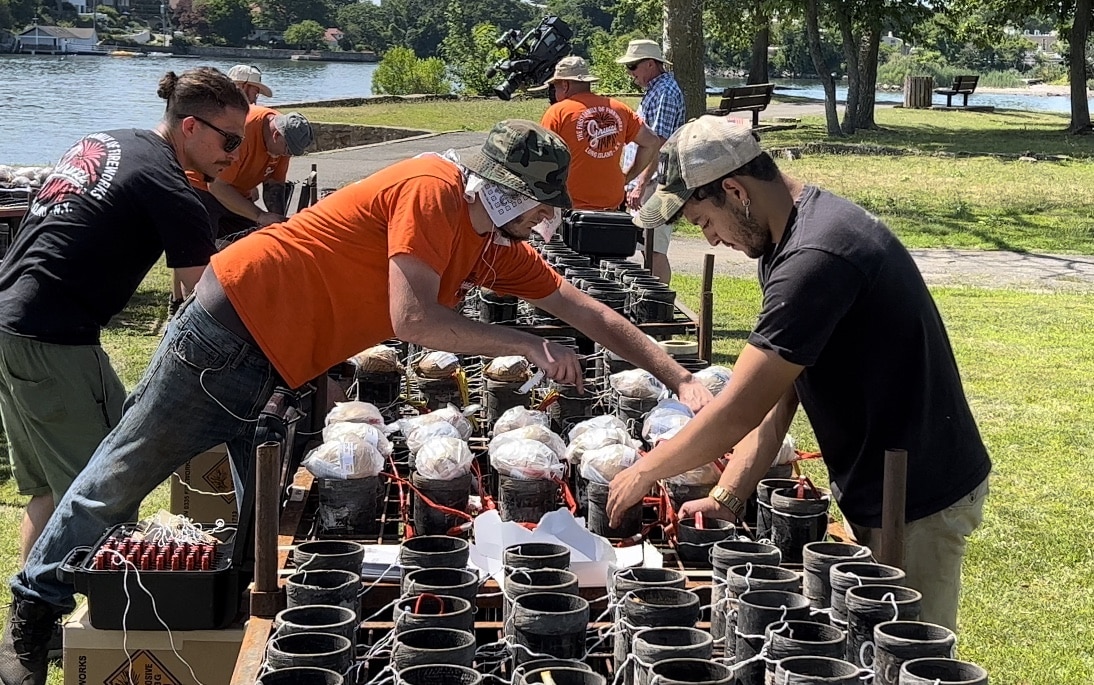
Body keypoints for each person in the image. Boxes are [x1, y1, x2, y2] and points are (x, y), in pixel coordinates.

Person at [0, 120, 713, 684]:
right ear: (510, 193)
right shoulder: (432, 191)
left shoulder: (490, 240)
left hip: (277, 359)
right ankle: (31, 617)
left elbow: (590, 312)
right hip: (227, 333)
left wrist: (678, 379)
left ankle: (226, 638)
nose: (547, 227)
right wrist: (527, 346)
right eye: (544, 210)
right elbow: (414, 321)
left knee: (263, 528)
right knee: (122, 474)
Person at [605, 116, 991, 632]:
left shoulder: (817, 256)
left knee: (904, 650)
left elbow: (739, 407)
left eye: (704, 223)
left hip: (918, 494)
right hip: (877, 478)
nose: (713, 240)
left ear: (735, 191)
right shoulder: (786, 237)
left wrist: (645, 471)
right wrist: (729, 494)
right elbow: (778, 389)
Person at [0, 67, 246, 568]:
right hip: (52, 339)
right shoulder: (171, 188)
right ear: (192, 126)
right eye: (230, 139)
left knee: (56, 487)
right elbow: (204, 304)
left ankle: (38, 621)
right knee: (98, 494)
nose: (235, 154)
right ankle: (62, 621)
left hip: (11, 320)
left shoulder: (110, 141)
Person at [537, 56, 662, 211]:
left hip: (569, 207)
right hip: (610, 207)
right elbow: (651, 142)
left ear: (565, 84)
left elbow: (542, 159)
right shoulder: (619, 108)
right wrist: (626, 177)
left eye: (555, 87)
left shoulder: (557, 112)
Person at [189, 107, 313, 242]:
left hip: (235, 191)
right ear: (276, 135)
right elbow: (217, 186)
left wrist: (278, 224)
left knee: (249, 242)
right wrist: (260, 215)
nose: (287, 155)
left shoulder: (285, 136)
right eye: (287, 150)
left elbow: (274, 185)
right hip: (202, 188)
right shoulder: (242, 132)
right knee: (203, 249)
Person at [617, 39, 684, 284]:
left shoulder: (665, 92)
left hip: (657, 182)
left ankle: (658, 305)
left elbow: (659, 143)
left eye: (633, 66)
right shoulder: (657, 89)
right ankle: (652, 302)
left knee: (655, 248)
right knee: (648, 245)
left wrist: (639, 184)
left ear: (649, 64)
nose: (630, 73)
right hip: (650, 180)